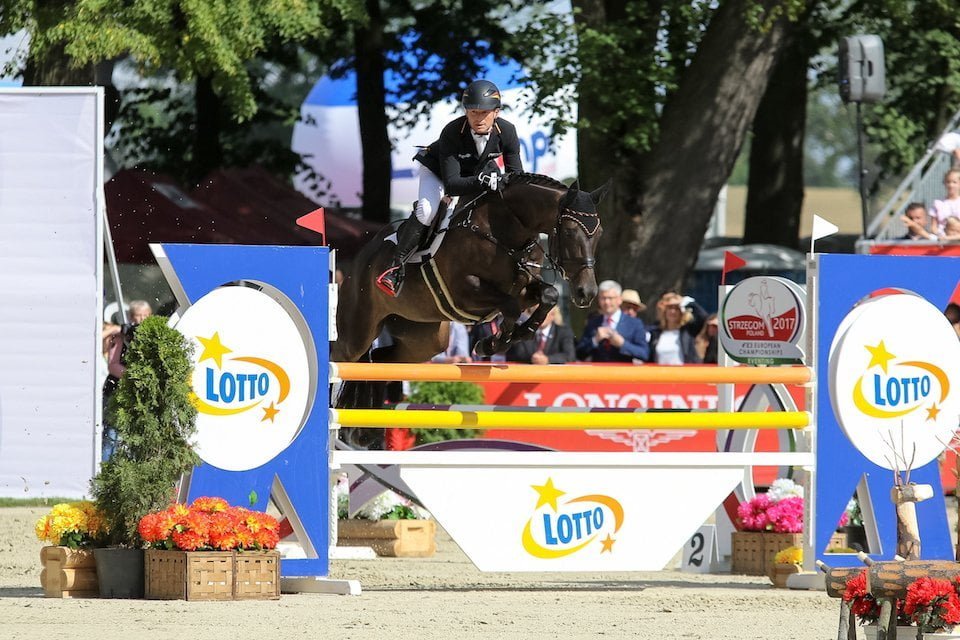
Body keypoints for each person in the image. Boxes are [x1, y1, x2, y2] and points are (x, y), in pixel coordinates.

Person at [376, 79, 524, 297]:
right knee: (427, 211)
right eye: (472, 112)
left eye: (484, 112)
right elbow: (453, 185)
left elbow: (516, 176)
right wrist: (483, 181)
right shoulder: (453, 132)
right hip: (437, 171)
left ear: (496, 113)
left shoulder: (508, 132)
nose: (478, 118)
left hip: (475, 171)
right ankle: (394, 267)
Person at [102, 300, 153, 461]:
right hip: (117, 389)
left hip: (136, 393)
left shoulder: (150, 337)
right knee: (112, 434)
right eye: (139, 316)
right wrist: (133, 375)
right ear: (131, 316)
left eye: (146, 315)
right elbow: (113, 365)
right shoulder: (121, 337)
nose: (143, 319)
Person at [575, 280, 649, 362]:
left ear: (619, 300)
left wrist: (622, 344)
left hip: (623, 373)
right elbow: (579, 353)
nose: (606, 302)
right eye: (603, 298)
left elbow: (644, 353)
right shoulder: (593, 323)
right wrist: (595, 340)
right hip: (598, 373)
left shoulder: (635, 324)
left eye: (610, 298)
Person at [646, 291, 707, 365]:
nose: (673, 311)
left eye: (676, 308)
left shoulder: (688, 330)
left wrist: (687, 302)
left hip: (684, 375)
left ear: (681, 312)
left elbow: (704, 318)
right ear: (665, 311)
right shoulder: (655, 332)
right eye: (670, 308)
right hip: (660, 375)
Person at [506, 306, 576, 364]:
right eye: (537, 314)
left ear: (552, 315)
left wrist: (548, 359)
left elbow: (570, 355)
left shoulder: (563, 332)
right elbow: (514, 354)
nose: (541, 317)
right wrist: (533, 358)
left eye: (545, 314)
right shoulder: (524, 331)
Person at [930, 169, 960, 236]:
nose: (951, 185)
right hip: (942, 241)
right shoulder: (938, 203)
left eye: (954, 182)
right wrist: (941, 237)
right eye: (948, 182)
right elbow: (933, 227)